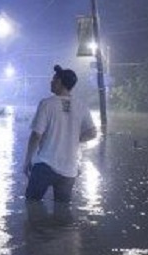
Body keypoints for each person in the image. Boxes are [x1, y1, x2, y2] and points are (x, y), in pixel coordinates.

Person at [22, 64, 97, 203]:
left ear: (60, 83)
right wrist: (74, 139)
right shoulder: (81, 106)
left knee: (31, 205)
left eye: (54, 79)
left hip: (44, 165)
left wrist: (27, 160)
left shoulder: (47, 104)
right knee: (62, 213)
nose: (51, 82)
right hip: (69, 170)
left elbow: (36, 135)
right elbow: (93, 133)